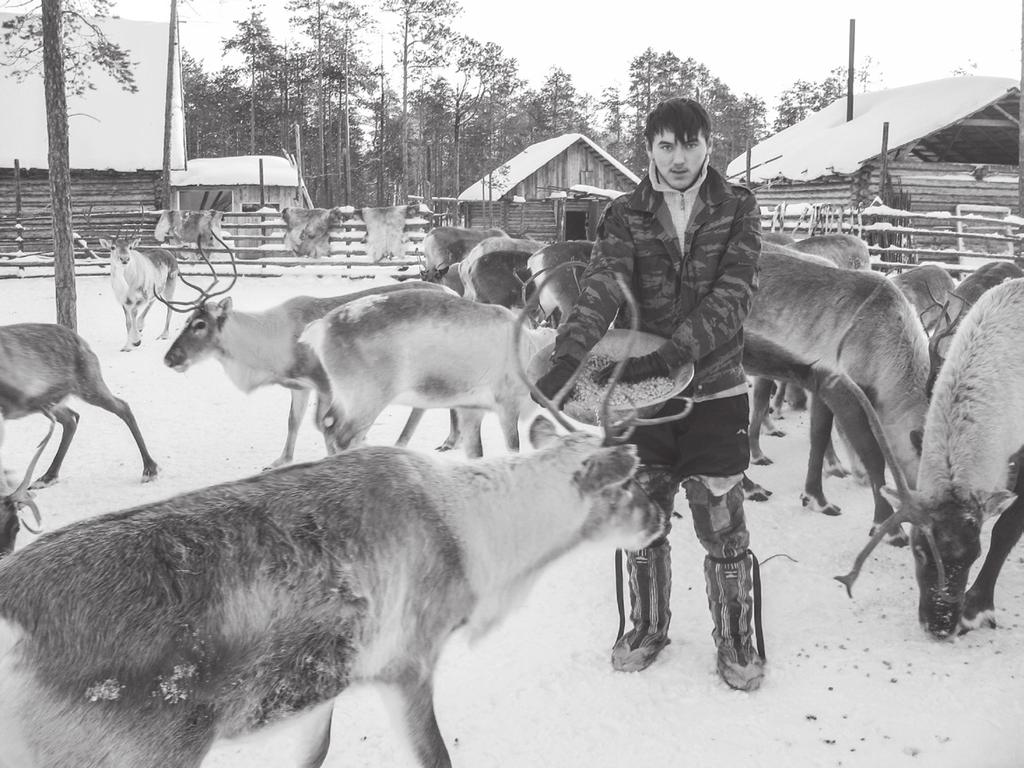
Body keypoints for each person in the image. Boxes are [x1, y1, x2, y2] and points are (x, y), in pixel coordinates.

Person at [534, 97, 764, 691]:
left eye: (690, 144)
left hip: (715, 388)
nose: (679, 157)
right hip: (636, 392)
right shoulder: (625, 213)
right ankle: (645, 626)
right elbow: (603, 286)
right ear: (650, 149)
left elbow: (737, 291)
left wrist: (678, 350)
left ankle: (737, 636)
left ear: (710, 145)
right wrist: (567, 356)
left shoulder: (738, 206)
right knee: (641, 513)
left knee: (721, 516)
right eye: (666, 145)